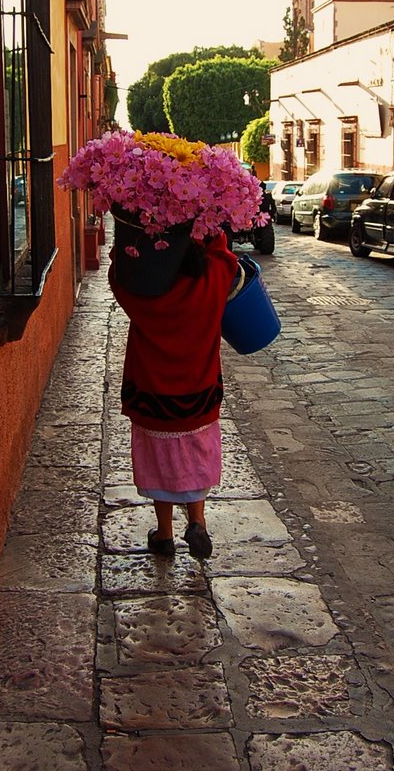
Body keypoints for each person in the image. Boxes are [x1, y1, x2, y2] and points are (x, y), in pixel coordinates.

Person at [108, 232, 238, 560]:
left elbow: (116, 272)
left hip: (153, 398)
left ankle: (164, 534)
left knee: (158, 462)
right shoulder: (212, 281)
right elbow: (225, 255)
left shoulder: (143, 297)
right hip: (199, 397)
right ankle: (197, 522)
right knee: (194, 457)